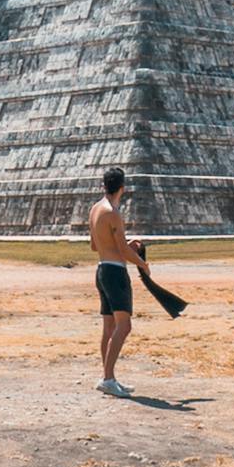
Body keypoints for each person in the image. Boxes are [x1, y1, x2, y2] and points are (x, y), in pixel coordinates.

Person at [89, 166, 149, 396]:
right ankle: (107, 378)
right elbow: (123, 250)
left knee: (109, 328)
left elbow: (95, 245)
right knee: (124, 326)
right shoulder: (113, 213)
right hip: (115, 273)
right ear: (122, 188)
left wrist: (122, 246)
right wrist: (143, 264)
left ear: (104, 185)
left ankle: (109, 377)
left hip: (101, 270)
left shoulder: (95, 210)